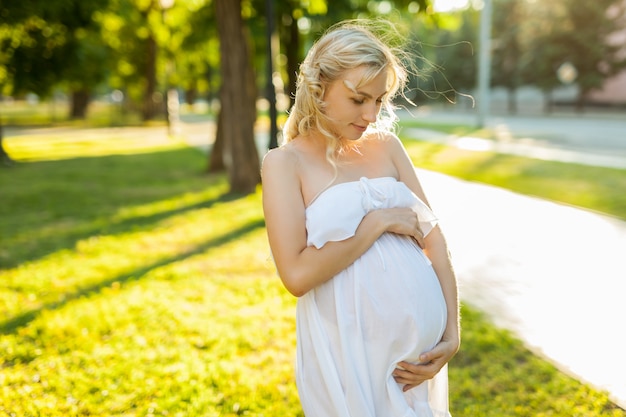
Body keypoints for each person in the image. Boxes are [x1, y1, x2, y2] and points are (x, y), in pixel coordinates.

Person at [261, 20, 460, 417]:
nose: (371, 114)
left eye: (379, 100)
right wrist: (376, 224)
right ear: (319, 87)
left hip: (416, 364)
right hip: (348, 354)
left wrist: (452, 332)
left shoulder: (387, 146)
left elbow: (434, 240)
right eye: (358, 99)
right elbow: (296, 276)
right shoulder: (285, 163)